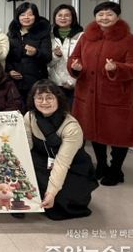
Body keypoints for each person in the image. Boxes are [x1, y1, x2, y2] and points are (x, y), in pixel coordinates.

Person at [68, 1, 133, 186]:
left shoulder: (129, 39)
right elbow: (74, 58)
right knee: (94, 131)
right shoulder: (86, 37)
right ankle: (101, 165)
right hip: (88, 94)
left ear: (117, 16)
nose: (104, 18)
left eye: (109, 14)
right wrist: (75, 67)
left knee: (119, 134)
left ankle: (116, 169)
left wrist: (116, 67)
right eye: (100, 14)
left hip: (116, 96)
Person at [24, 80, 99, 220]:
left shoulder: (71, 127)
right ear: (33, 99)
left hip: (72, 167)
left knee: (60, 204)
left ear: (58, 98)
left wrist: (51, 193)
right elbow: (27, 148)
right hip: (44, 161)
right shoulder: (29, 117)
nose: (44, 102)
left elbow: (62, 163)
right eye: (39, 98)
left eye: (49, 97)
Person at [6, 2, 52, 107]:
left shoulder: (43, 33)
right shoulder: (11, 34)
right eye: (22, 15)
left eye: (30, 14)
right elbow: (8, 57)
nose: (26, 17)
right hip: (15, 83)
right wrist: (10, 70)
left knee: (35, 109)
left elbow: (48, 57)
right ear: (18, 17)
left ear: (35, 16)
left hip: (36, 81)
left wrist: (36, 52)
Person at [48, 4, 83, 105]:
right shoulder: (49, 36)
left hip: (76, 85)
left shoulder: (82, 36)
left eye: (67, 15)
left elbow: (85, 61)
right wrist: (56, 55)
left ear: (73, 18)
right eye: (60, 15)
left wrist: (72, 81)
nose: (63, 18)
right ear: (55, 18)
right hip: (54, 84)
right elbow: (47, 63)